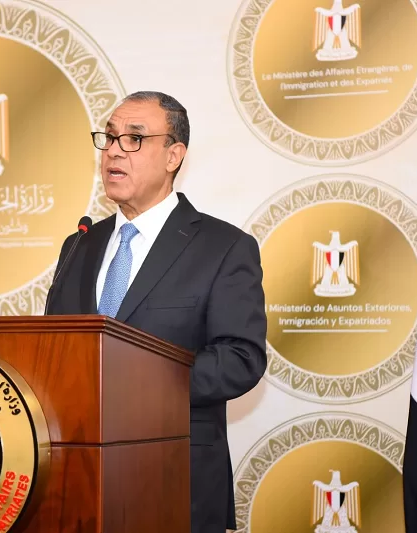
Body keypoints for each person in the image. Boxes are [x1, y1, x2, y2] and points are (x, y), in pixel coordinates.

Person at [45, 91, 267, 533]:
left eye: (134, 138)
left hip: (176, 480)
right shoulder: (79, 244)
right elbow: (55, 351)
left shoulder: (223, 247)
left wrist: (135, 385)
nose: (113, 151)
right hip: (79, 482)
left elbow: (240, 359)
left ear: (173, 156)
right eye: (109, 137)